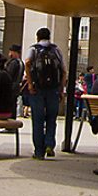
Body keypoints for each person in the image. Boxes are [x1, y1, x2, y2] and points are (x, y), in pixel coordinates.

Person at [25, 27, 65, 160]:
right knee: (51, 118)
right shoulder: (56, 50)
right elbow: (64, 71)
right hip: (53, 89)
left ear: (37, 37)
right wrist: (60, 88)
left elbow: (27, 62)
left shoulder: (34, 49)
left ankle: (38, 151)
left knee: (37, 119)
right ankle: (49, 144)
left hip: (37, 89)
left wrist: (30, 83)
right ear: (49, 37)